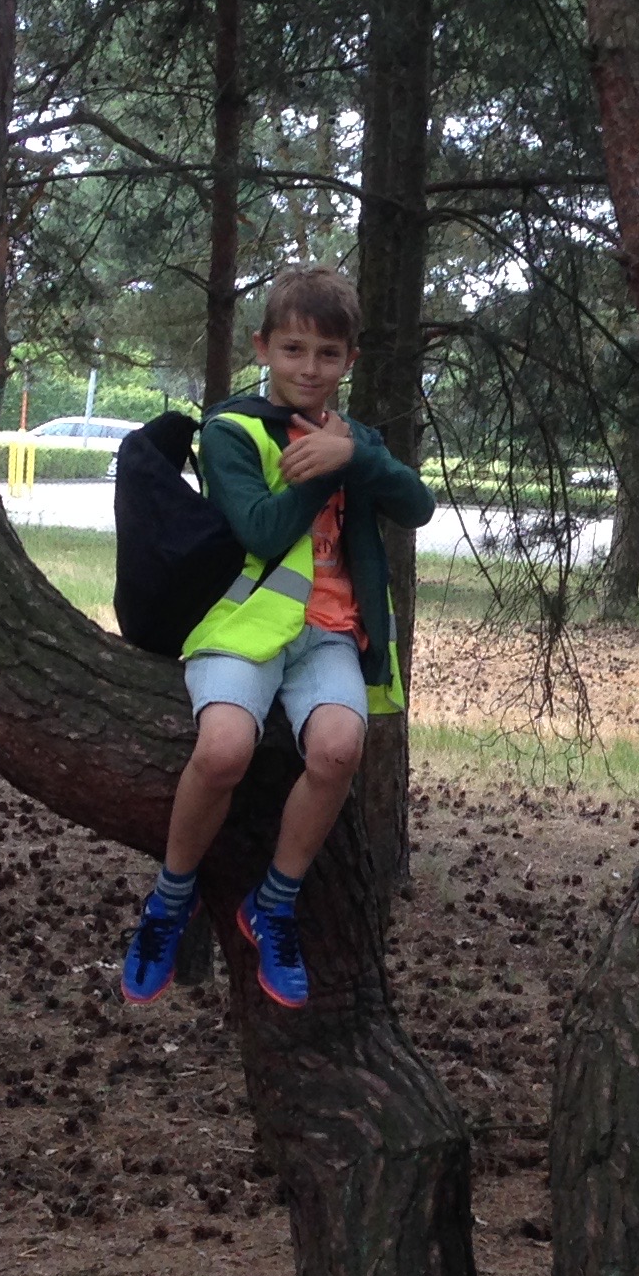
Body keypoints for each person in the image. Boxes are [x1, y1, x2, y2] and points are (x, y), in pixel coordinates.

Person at [119, 265, 432, 1009]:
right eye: (293, 350)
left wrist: (355, 455)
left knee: (337, 749)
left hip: (328, 634)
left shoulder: (357, 441)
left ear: (349, 360)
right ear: (264, 348)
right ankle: (170, 898)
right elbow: (259, 528)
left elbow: (416, 505)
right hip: (240, 623)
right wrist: (324, 474)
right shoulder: (232, 430)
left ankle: (275, 902)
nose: (309, 368)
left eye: (328, 354)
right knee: (223, 749)